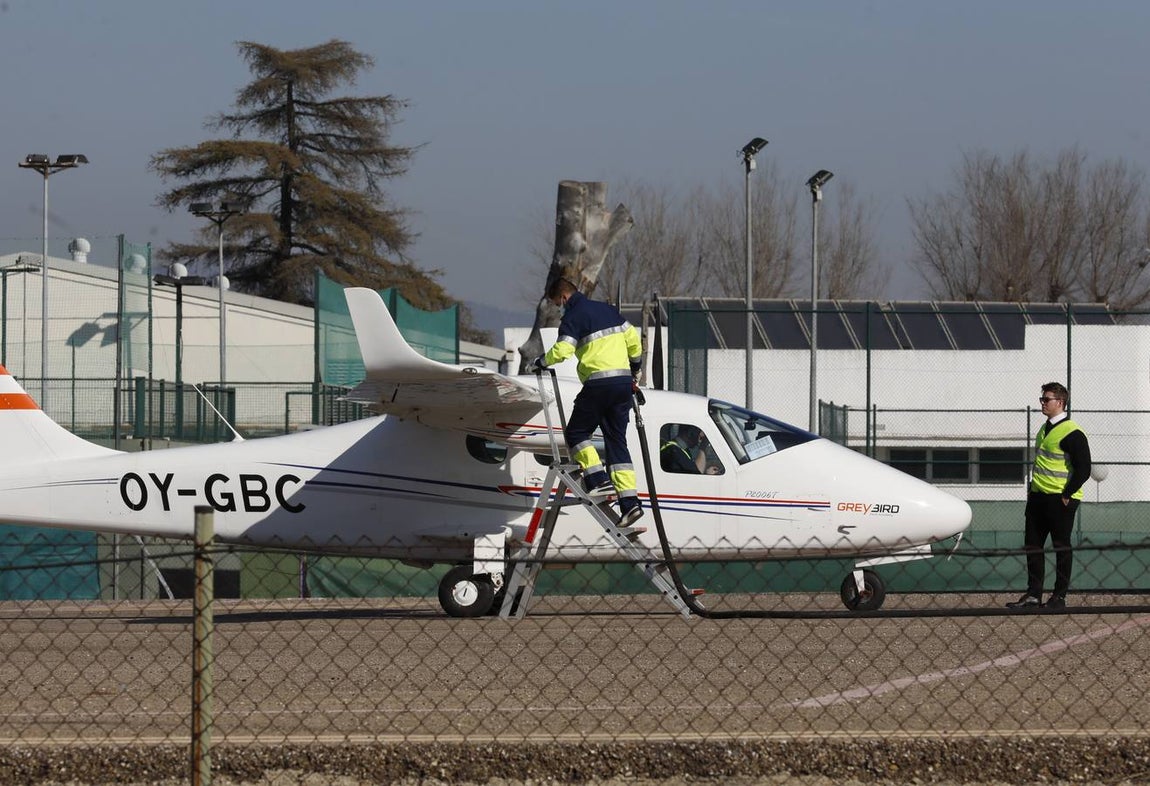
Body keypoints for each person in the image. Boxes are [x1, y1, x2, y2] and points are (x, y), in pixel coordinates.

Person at [533, 277, 645, 526]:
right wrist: (635, 368)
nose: (559, 310)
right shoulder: (608, 311)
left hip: (598, 384)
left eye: (558, 304)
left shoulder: (574, 317)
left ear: (564, 298)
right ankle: (630, 503)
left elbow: (563, 350)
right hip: (623, 385)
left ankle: (597, 479)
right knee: (616, 441)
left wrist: (540, 361)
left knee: (576, 433)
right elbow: (634, 342)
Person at [1006, 382, 1091, 611]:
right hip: (1038, 497)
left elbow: (1084, 469)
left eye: (1047, 399)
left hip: (1060, 499)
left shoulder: (1073, 432)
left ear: (1060, 402)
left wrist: (1067, 494)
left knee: (1061, 546)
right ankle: (1033, 596)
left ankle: (1058, 597)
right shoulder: (1045, 429)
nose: (1042, 403)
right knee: (1033, 545)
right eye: (1042, 399)